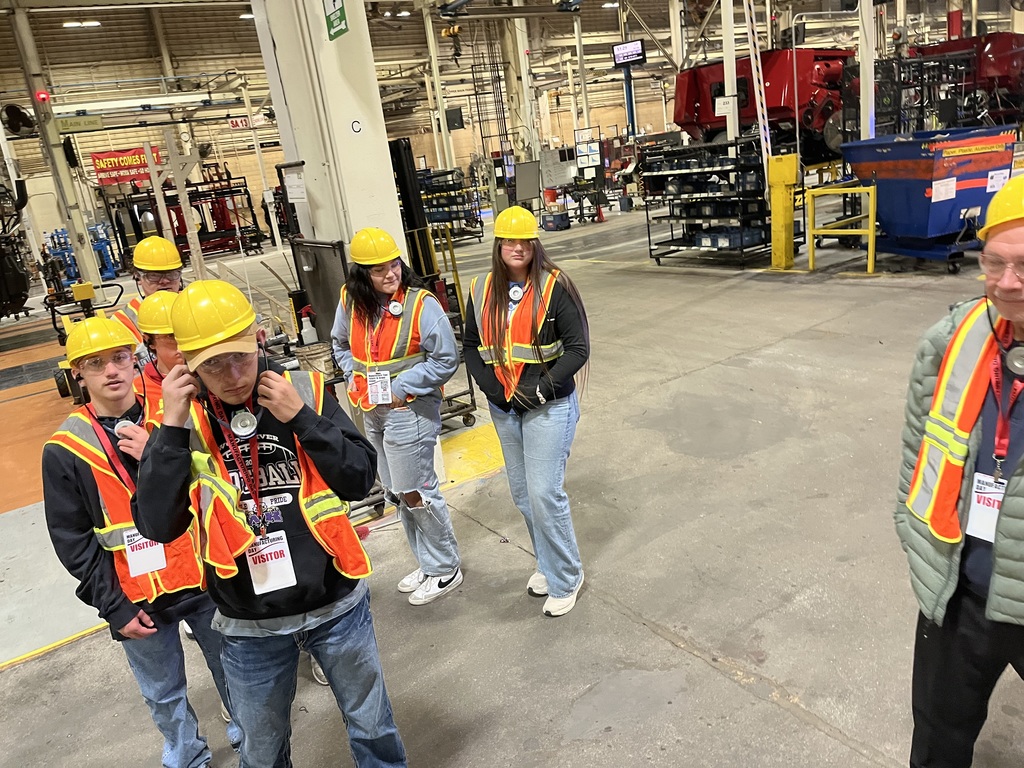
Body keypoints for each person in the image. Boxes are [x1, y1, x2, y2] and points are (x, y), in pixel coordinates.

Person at [132, 279, 406, 768]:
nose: (233, 374)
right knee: (260, 751)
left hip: (336, 608)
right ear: (188, 365)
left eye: (240, 355)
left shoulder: (303, 389)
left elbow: (360, 477)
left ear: (258, 337)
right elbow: (157, 524)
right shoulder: (182, 421)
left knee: (372, 728)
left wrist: (302, 418)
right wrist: (170, 428)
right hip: (247, 626)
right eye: (213, 365)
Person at [42, 315, 241, 766]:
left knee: (235, 671)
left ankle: (251, 740)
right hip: (137, 599)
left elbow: (220, 481)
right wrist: (113, 607)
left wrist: (161, 452)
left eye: (119, 358)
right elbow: (72, 540)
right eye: (96, 364)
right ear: (78, 373)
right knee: (163, 692)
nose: (111, 371)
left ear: (136, 360)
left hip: (207, 579)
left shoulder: (174, 414)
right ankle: (186, 755)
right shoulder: (66, 448)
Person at [896, 174, 1024, 767]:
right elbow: (917, 449)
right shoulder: (954, 339)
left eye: (1023, 266)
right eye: (993, 263)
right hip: (960, 588)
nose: (1006, 283)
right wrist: (914, 533)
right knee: (938, 738)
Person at [463, 206, 590, 617]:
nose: (516, 248)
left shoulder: (556, 287)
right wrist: (494, 390)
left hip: (547, 406)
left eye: (523, 241)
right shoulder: (481, 289)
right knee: (522, 495)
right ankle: (548, 564)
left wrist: (538, 389)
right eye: (508, 241)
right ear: (498, 245)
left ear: (534, 243)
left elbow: (577, 349)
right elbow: (471, 346)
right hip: (505, 408)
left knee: (543, 493)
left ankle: (567, 575)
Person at [331, 227, 463, 605]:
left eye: (394, 265)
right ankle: (427, 561)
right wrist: (352, 374)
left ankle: (444, 566)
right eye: (379, 270)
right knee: (396, 492)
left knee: (416, 491)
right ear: (361, 276)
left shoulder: (422, 305)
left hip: (409, 410)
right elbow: (340, 343)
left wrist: (401, 385)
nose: (391, 274)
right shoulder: (350, 300)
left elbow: (445, 359)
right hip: (372, 412)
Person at [112, 235, 185, 343]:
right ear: (138, 276)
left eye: (171, 274)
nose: (164, 281)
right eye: (154, 276)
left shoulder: (195, 304)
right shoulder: (124, 321)